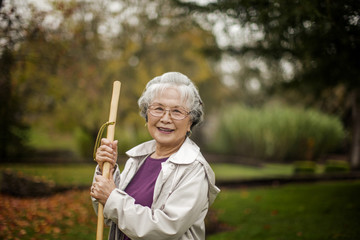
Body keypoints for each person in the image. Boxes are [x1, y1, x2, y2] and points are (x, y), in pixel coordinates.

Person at [90, 72, 220, 240]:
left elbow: (164, 229)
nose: (166, 118)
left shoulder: (194, 170)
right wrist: (106, 170)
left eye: (177, 111)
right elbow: (108, 215)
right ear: (146, 115)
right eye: (158, 108)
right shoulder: (137, 159)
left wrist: (112, 197)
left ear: (190, 122)